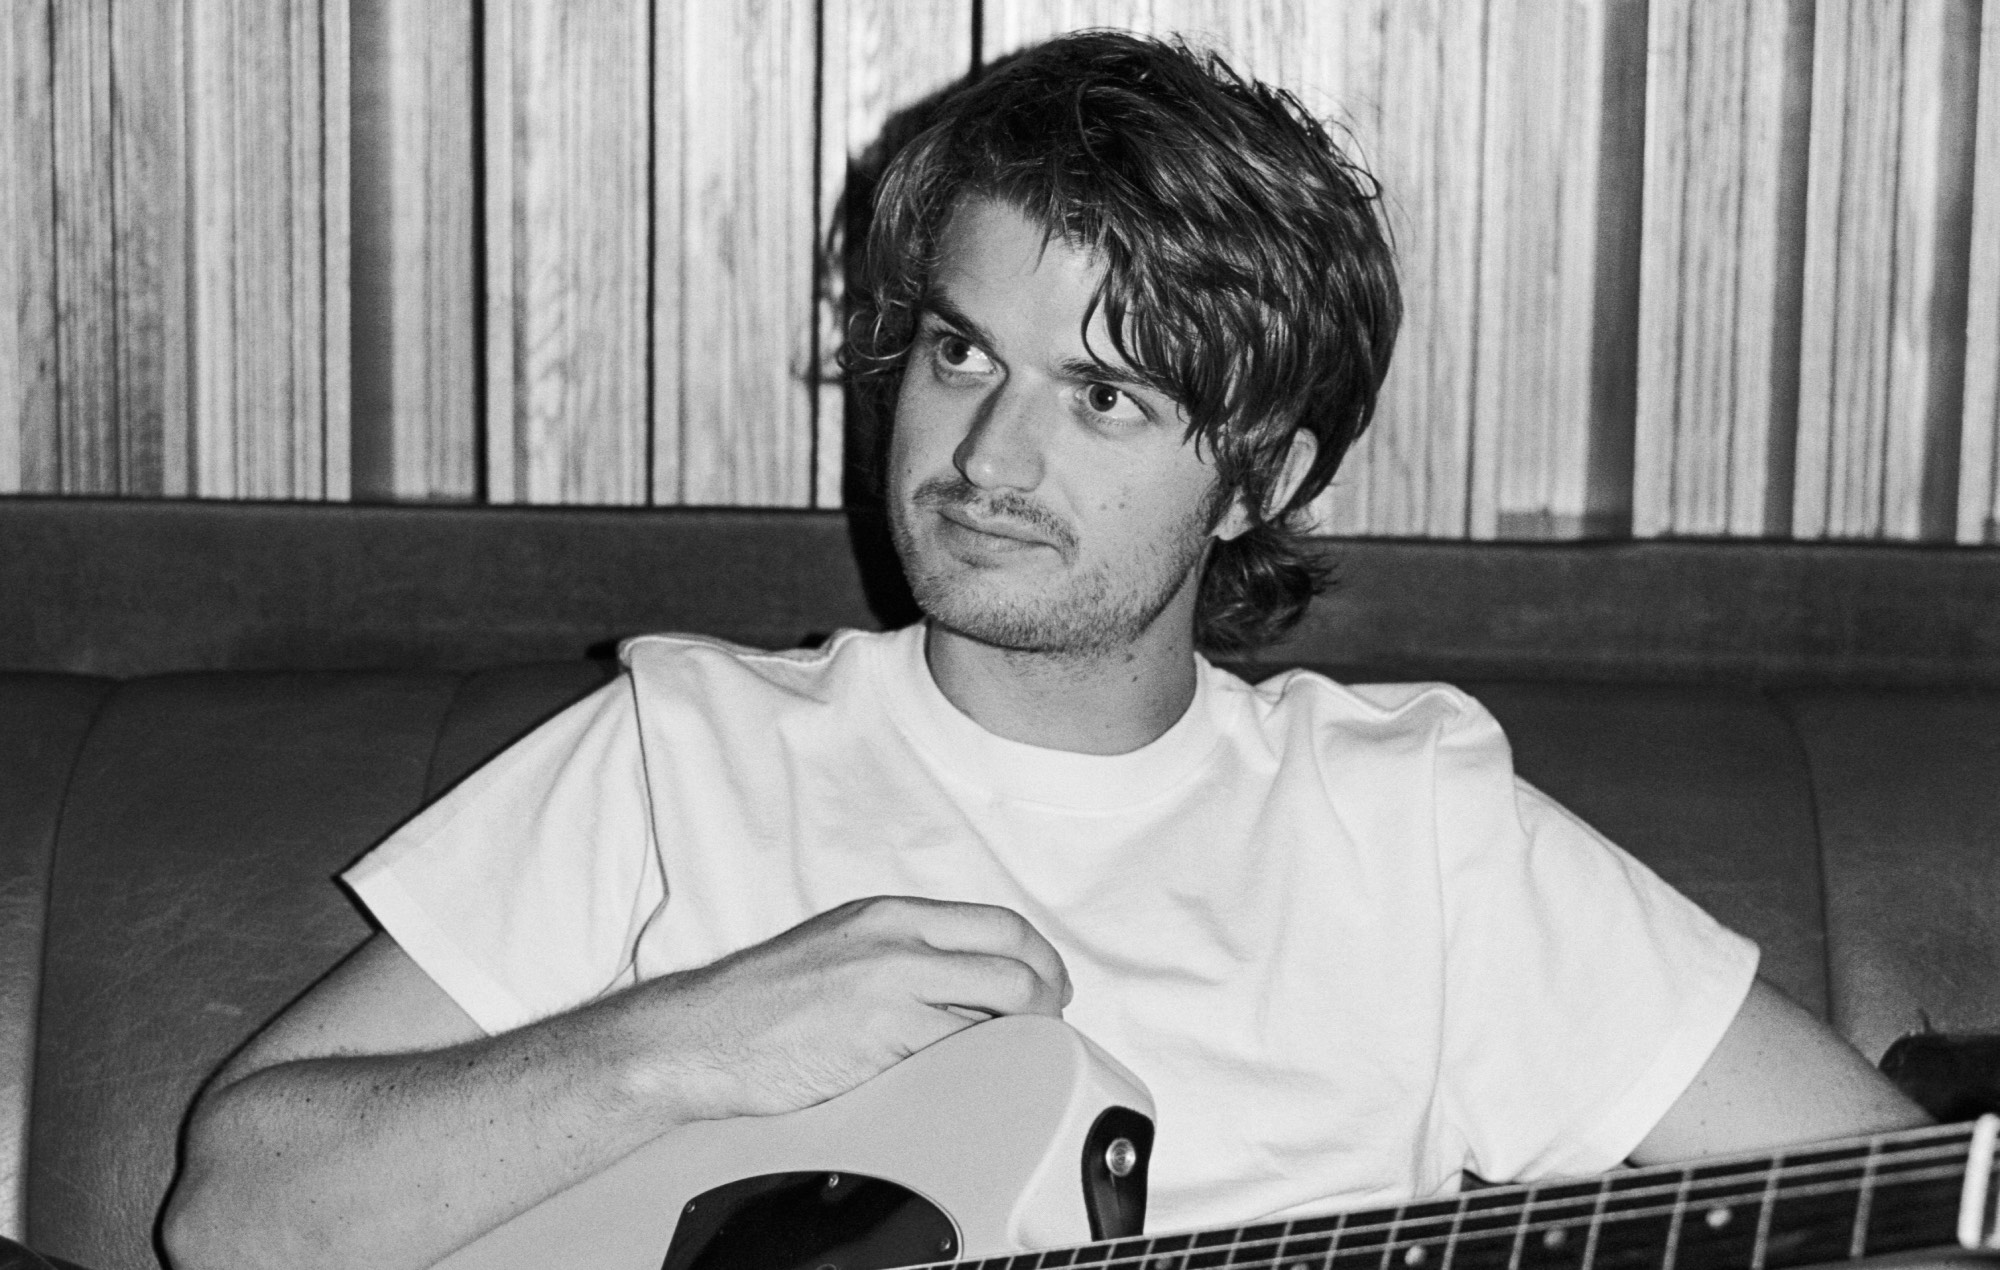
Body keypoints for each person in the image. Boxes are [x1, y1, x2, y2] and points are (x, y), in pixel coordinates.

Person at [160, 30, 1925, 1270]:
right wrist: (679, 1045)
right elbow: (234, 1211)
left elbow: (1905, 1203)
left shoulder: (1411, 825)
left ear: (1263, 476)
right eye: (961, 355)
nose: (987, 458)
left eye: (1103, 396)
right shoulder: (686, 746)